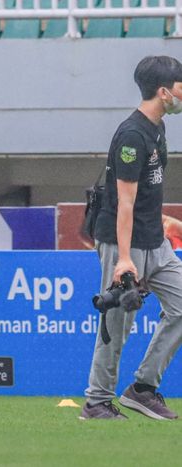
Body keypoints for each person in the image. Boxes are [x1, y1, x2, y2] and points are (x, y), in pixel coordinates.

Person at [81, 56, 182, 420]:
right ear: (164, 91)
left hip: (155, 242)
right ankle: (97, 402)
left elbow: (145, 196)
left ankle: (142, 388)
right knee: (117, 325)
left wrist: (164, 227)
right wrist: (124, 259)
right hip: (124, 244)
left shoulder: (158, 129)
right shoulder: (131, 136)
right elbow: (123, 202)